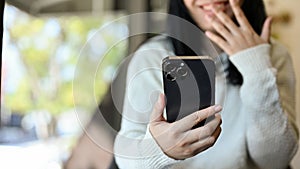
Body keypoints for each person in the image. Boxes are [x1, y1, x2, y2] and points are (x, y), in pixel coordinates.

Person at [113, 0, 299, 168]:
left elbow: (274, 161)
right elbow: (126, 157)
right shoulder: (152, 56)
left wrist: (257, 67)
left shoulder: (273, 55)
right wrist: (159, 150)